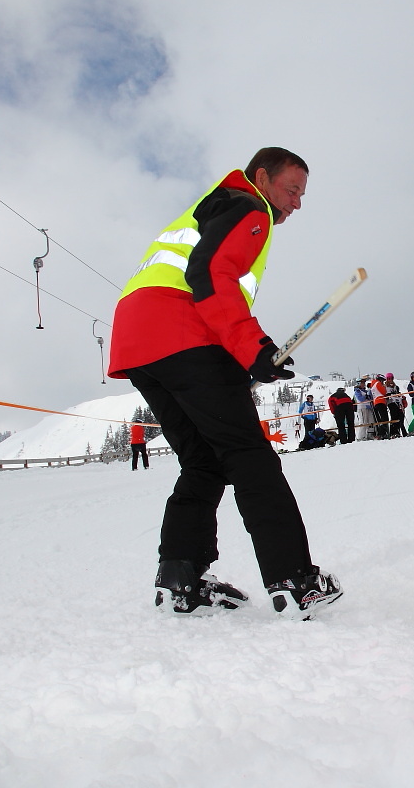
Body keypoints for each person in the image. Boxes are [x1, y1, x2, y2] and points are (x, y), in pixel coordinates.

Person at [108, 146, 341, 620]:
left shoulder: (216, 205)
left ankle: (182, 580)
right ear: (262, 177)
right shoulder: (249, 205)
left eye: (301, 194)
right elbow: (209, 275)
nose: (296, 202)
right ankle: (294, 578)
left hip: (138, 341)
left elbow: (199, 276)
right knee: (248, 455)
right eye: (291, 189)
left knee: (203, 462)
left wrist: (244, 355)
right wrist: (252, 347)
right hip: (180, 333)